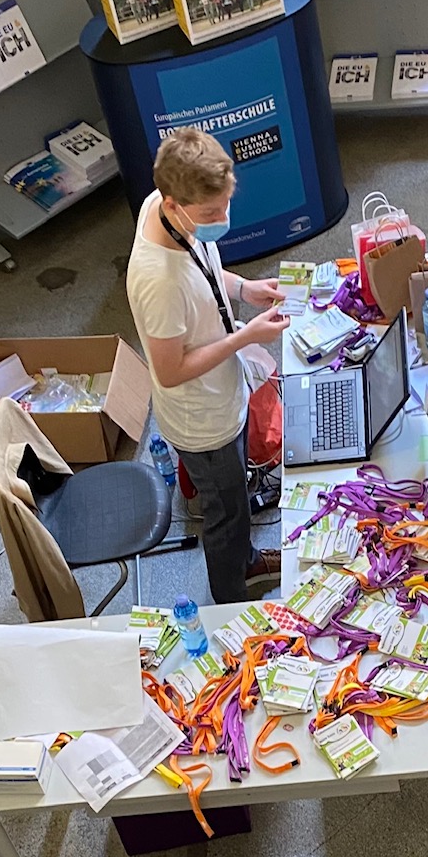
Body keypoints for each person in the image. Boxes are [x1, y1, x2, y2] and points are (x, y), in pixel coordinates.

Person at [126, 128, 288, 602]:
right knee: (226, 514)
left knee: (236, 500)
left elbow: (205, 271)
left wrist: (243, 290)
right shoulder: (157, 280)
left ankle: (249, 561)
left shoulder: (165, 208)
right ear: (174, 204)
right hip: (203, 423)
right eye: (210, 214)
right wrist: (246, 335)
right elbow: (170, 370)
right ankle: (231, 601)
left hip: (222, 396)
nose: (223, 219)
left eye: (226, 206)